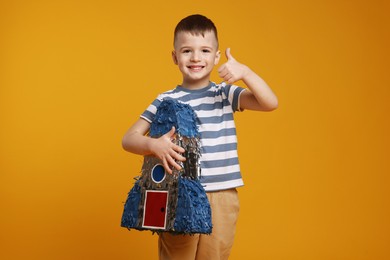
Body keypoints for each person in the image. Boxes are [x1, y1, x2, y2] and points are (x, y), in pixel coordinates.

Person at [122, 14, 278, 260]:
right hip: (179, 192)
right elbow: (128, 139)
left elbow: (270, 103)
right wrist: (154, 145)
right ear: (175, 57)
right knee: (177, 255)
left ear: (216, 57)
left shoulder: (224, 94)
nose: (196, 58)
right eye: (186, 51)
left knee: (214, 256)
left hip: (221, 195)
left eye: (205, 50)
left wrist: (245, 72)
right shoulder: (165, 99)